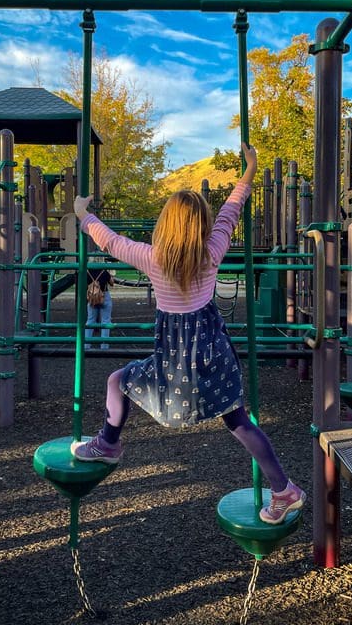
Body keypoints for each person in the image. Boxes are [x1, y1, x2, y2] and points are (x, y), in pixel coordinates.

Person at [72, 143, 306, 525]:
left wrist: (84, 214)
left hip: (174, 363)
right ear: (201, 225)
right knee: (240, 422)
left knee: (117, 380)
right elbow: (231, 210)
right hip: (213, 357)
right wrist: (251, 167)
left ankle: (108, 444)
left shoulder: (152, 257)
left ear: (166, 224)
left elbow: (110, 241)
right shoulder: (212, 251)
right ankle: (284, 489)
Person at [85, 263, 114, 350]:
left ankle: (86, 345)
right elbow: (112, 283)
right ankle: (104, 346)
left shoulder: (87, 272)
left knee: (90, 320)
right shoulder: (104, 271)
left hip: (92, 298)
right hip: (104, 296)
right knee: (106, 321)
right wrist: (111, 275)